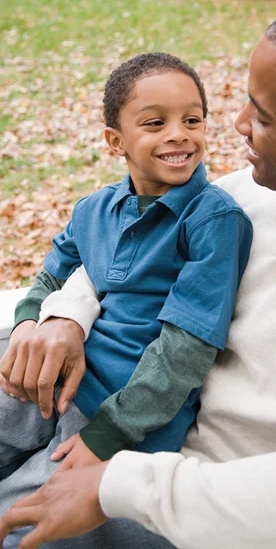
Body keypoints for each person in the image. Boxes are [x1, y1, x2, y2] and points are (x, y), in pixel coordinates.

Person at [1, 0, 276, 549]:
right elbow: (124, 252)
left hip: (188, 484)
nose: (234, 127)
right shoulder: (259, 186)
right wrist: (64, 315)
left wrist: (119, 484)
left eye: (261, 117)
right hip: (99, 388)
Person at [0, 53, 253, 520]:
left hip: (123, 419)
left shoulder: (213, 220)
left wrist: (108, 434)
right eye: (155, 123)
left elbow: (186, 349)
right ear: (116, 142)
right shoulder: (95, 208)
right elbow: (52, 275)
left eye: (192, 119)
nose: (179, 133)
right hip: (53, 379)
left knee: (17, 516)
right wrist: (26, 325)